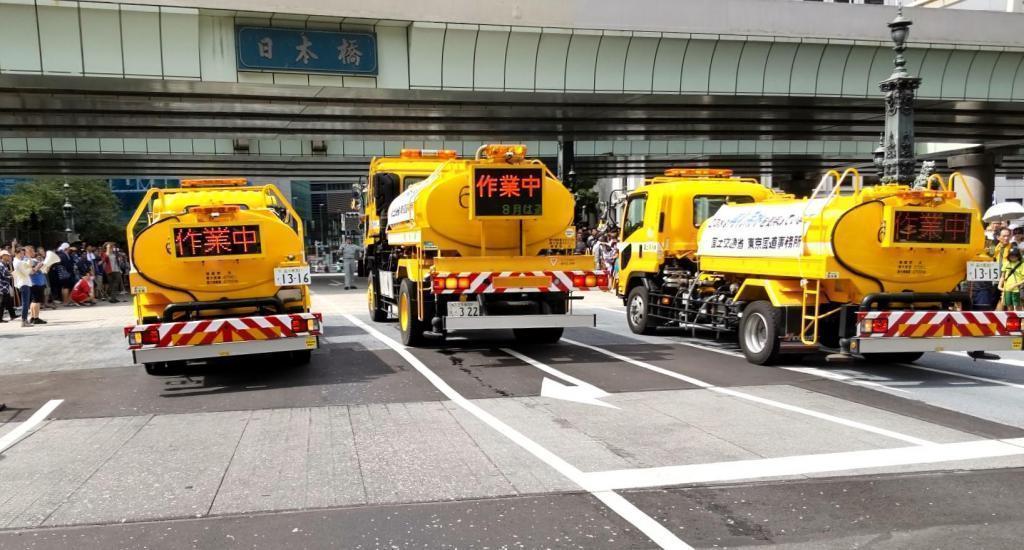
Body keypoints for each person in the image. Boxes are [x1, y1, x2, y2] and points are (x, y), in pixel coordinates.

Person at [999, 247, 1024, 312]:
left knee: (1018, 307)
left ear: (1018, 256)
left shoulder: (1022, 265)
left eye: (1015, 255)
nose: (1012, 257)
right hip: (1007, 289)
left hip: (1017, 290)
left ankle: (1019, 321)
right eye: (1011, 255)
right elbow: (1002, 276)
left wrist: (1015, 285)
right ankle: (1011, 322)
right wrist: (999, 285)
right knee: (1009, 306)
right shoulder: (1006, 263)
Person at [28, 248, 48, 324]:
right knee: (37, 301)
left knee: (34, 301)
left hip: (37, 283)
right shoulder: (33, 261)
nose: (40, 258)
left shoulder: (34, 261)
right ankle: (36, 318)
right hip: (36, 283)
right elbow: (31, 272)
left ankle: (33, 317)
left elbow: (44, 271)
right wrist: (38, 266)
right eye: (38, 256)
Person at [0, 250, 16, 322]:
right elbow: (4, 275)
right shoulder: (1, 265)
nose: (9, 256)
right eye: (7, 255)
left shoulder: (4, 264)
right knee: (2, 303)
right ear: (2, 256)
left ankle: (13, 315)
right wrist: (12, 275)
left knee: (8, 301)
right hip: (2, 287)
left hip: (5, 286)